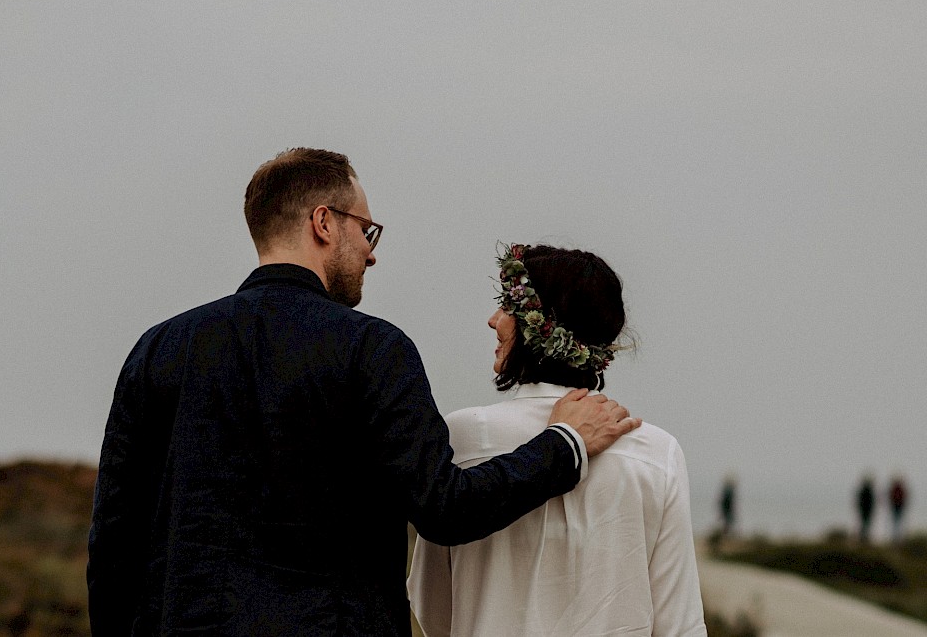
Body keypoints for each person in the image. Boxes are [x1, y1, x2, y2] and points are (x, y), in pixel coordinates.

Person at [87, 149, 641, 636]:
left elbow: (113, 544)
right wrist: (563, 446)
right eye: (367, 231)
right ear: (324, 222)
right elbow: (445, 508)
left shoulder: (158, 349)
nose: (372, 253)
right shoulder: (373, 350)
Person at [408, 243, 706, 636]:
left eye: (507, 307)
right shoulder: (657, 452)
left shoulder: (463, 436)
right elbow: (679, 623)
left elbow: (432, 608)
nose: (493, 320)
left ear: (538, 324)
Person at [888, 474, 908, 543]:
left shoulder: (895, 489)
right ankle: (897, 537)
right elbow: (904, 497)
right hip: (898, 507)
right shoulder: (899, 489)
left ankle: (897, 537)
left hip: (897, 507)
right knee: (897, 522)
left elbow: (891, 497)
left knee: (896, 522)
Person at [856, 474, 876, 544]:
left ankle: (863, 538)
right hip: (867, 510)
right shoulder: (869, 491)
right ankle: (864, 538)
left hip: (864, 510)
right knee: (866, 524)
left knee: (863, 524)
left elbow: (859, 501)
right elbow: (872, 502)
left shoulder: (863, 490)